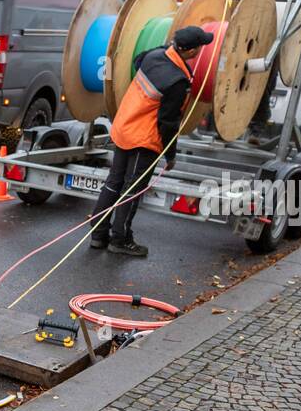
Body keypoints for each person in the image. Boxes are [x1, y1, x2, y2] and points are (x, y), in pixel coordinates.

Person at [89, 25, 214, 257]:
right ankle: (120, 239)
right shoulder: (177, 82)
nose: (201, 51)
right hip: (142, 140)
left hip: (124, 127)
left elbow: (138, 59)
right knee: (133, 189)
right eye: (200, 47)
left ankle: (98, 235)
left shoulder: (154, 56)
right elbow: (168, 123)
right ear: (190, 52)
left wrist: (169, 47)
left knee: (114, 182)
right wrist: (170, 154)